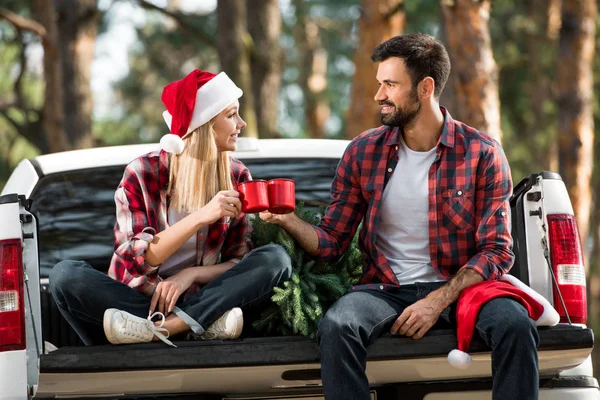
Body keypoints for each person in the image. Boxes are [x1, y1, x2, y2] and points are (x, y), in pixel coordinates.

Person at [260, 33, 538, 399]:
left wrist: (437, 299)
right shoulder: (362, 152)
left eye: (390, 85)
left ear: (425, 88)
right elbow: (332, 243)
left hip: (461, 289)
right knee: (338, 325)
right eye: (379, 84)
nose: (379, 96)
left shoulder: (481, 153)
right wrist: (288, 219)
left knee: (515, 325)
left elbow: (497, 251)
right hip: (385, 290)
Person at [50, 69, 292, 347]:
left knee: (275, 259)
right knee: (65, 276)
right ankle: (193, 326)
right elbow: (137, 259)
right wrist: (202, 216)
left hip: (200, 299)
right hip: (136, 301)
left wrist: (189, 275)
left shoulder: (237, 176)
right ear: (205, 125)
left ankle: (168, 328)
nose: (243, 123)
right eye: (231, 114)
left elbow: (239, 261)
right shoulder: (143, 172)